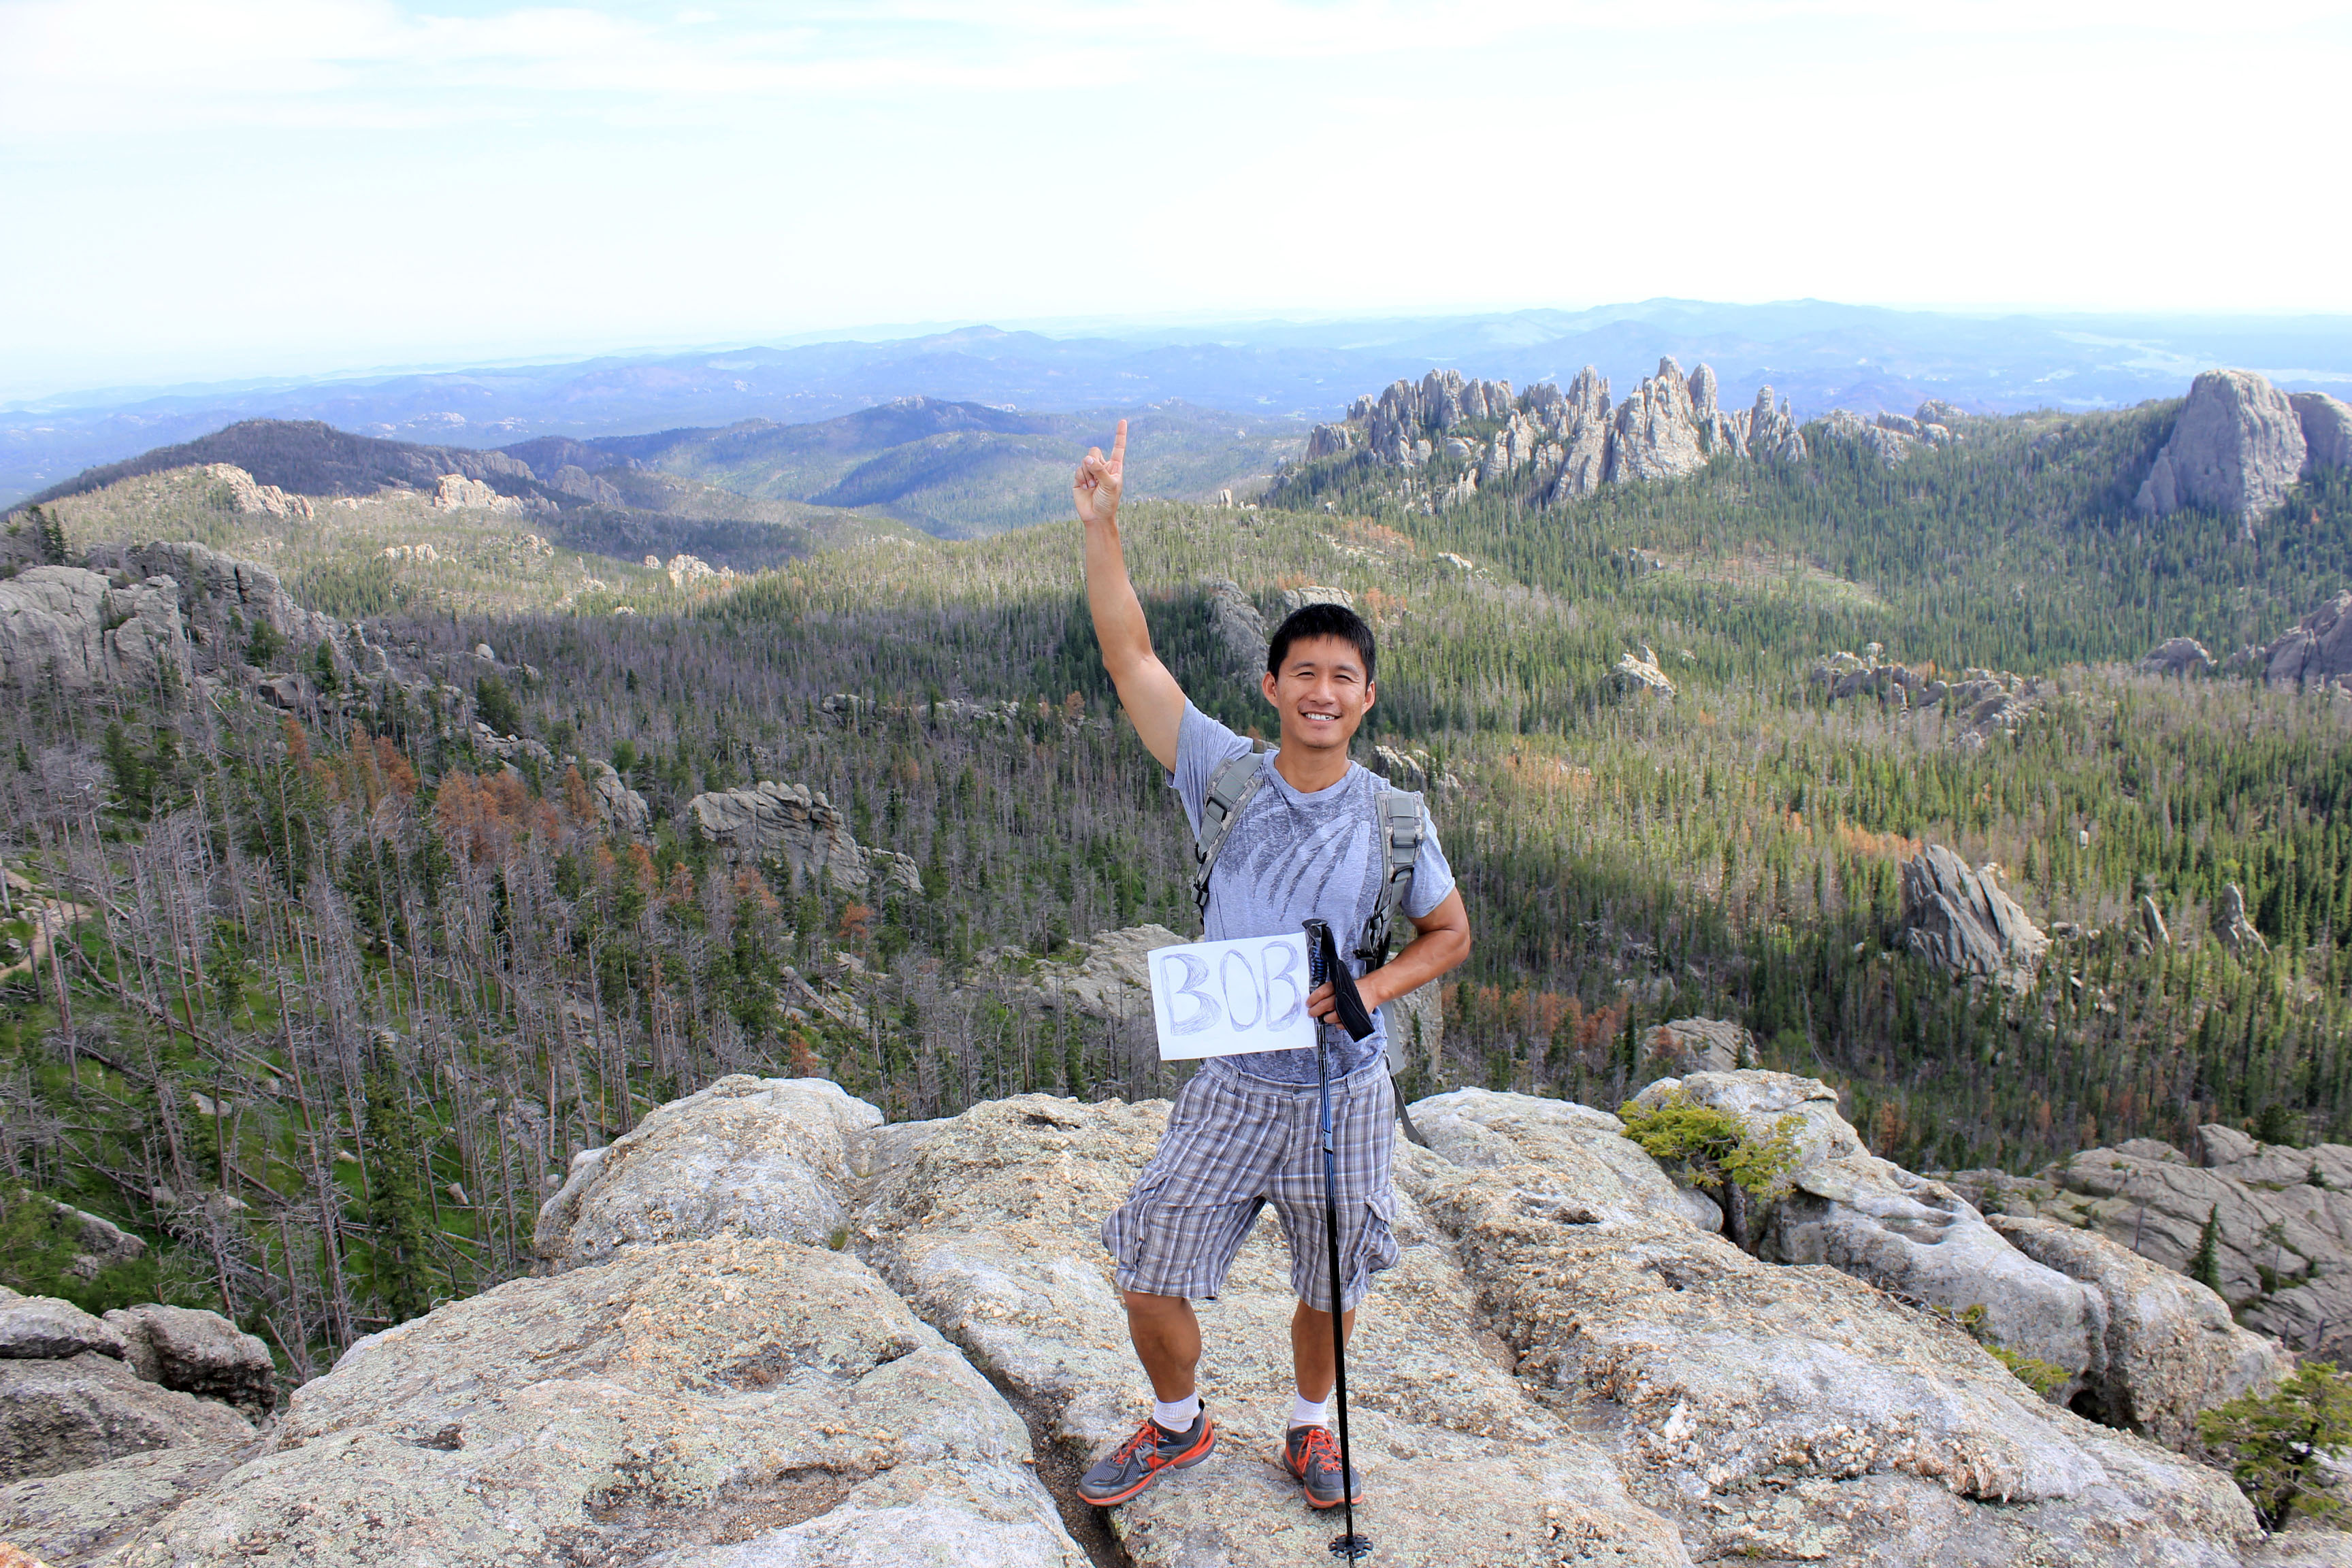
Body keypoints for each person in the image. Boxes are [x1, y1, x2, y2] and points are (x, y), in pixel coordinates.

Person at [1070, 421, 1472, 1514]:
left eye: (1344, 677)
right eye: (1306, 674)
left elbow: (1450, 934)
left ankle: (1311, 1432)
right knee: (1149, 1268)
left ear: (1367, 697)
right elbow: (1130, 658)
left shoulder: (1394, 816)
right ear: (1272, 685)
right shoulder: (1223, 773)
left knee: (1331, 1287)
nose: (1324, 692)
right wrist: (1102, 531)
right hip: (1235, 1085)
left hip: (1345, 1088)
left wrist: (1368, 993)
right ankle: (1178, 1425)